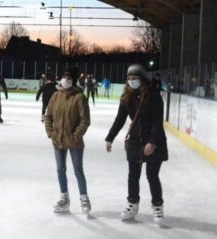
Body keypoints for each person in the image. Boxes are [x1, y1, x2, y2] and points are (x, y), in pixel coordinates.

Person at [105, 64, 169, 223]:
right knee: (133, 175)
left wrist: (152, 142)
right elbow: (120, 119)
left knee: (152, 175)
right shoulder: (126, 97)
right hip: (135, 140)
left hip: (154, 139)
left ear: (142, 79)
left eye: (135, 78)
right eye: (129, 79)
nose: (131, 81)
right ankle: (132, 204)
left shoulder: (154, 96)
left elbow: (157, 121)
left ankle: (157, 206)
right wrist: (110, 138)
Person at [44, 68, 92, 214]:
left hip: (74, 141)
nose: (66, 80)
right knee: (60, 169)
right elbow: (49, 116)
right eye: (64, 78)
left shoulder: (79, 97)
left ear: (73, 81)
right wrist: (51, 133)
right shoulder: (55, 96)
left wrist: (75, 135)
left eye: (69, 79)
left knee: (78, 170)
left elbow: (85, 120)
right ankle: (64, 198)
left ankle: (84, 199)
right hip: (58, 139)